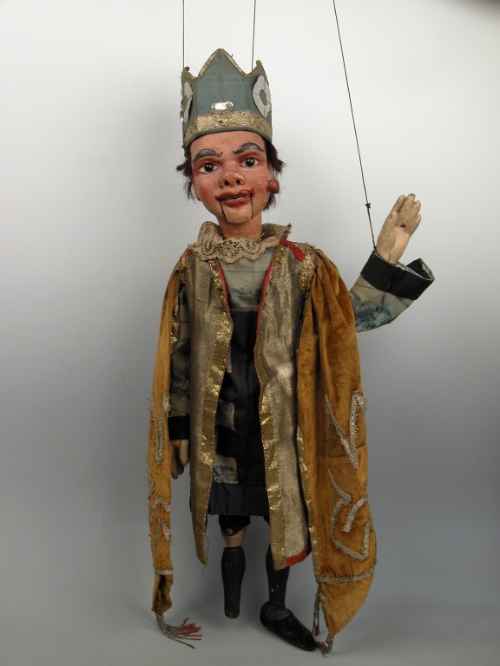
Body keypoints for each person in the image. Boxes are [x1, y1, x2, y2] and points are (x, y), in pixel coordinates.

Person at [147, 48, 434, 653]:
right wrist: (176, 424)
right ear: (194, 183)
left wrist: (386, 257)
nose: (231, 178)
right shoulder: (192, 267)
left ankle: (276, 605)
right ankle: (230, 589)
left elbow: (344, 323)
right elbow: (179, 352)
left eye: (247, 161)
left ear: (271, 178)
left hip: (284, 419)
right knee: (229, 506)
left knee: (285, 512)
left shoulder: (303, 266)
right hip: (220, 417)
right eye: (210, 165)